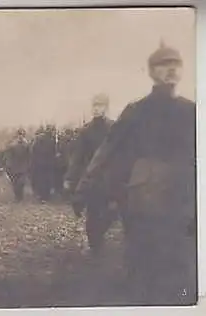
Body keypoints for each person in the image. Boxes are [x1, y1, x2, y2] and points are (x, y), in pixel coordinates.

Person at [73, 42, 196, 305]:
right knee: (144, 257)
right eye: (163, 65)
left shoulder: (191, 110)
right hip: (146, 195)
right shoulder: (138, 110)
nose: (171, 69)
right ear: (151, 72)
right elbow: (107, 150)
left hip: (185, 193)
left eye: (175, 64)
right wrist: (83, 187)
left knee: (182, 258)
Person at [64, 93, 114, 255]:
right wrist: (70, 178)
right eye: (94, 105)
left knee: (110, 212)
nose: (96, 108)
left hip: (110, 177)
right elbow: (77, 157)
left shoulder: (113, 128)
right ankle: (94, 244)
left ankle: (100, 234)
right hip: (92, 178)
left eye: (100, 105)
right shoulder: (86, 131)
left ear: (106, 108)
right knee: (93, 213)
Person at [30, 125, 56, 202]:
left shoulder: (40, 138)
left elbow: (33, 150)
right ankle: (45, 196)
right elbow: (53, 151)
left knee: (42, 180)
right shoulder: (51, 139)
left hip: (41, 163)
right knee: (46, 180)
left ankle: (43, 196)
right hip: (46, 163)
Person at [4, 128, 31, 202]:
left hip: (23, 167)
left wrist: (28, 165)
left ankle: (20, 196)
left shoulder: (27, 145)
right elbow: (9, 156)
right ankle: (17, 196)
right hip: (14, 167)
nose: (21, 136)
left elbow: (29, 156)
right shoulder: (13, 145)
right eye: (19, 135)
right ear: (17, 135)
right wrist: (8, 165)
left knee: (21, 183)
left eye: (22, 135)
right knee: (15, 183)